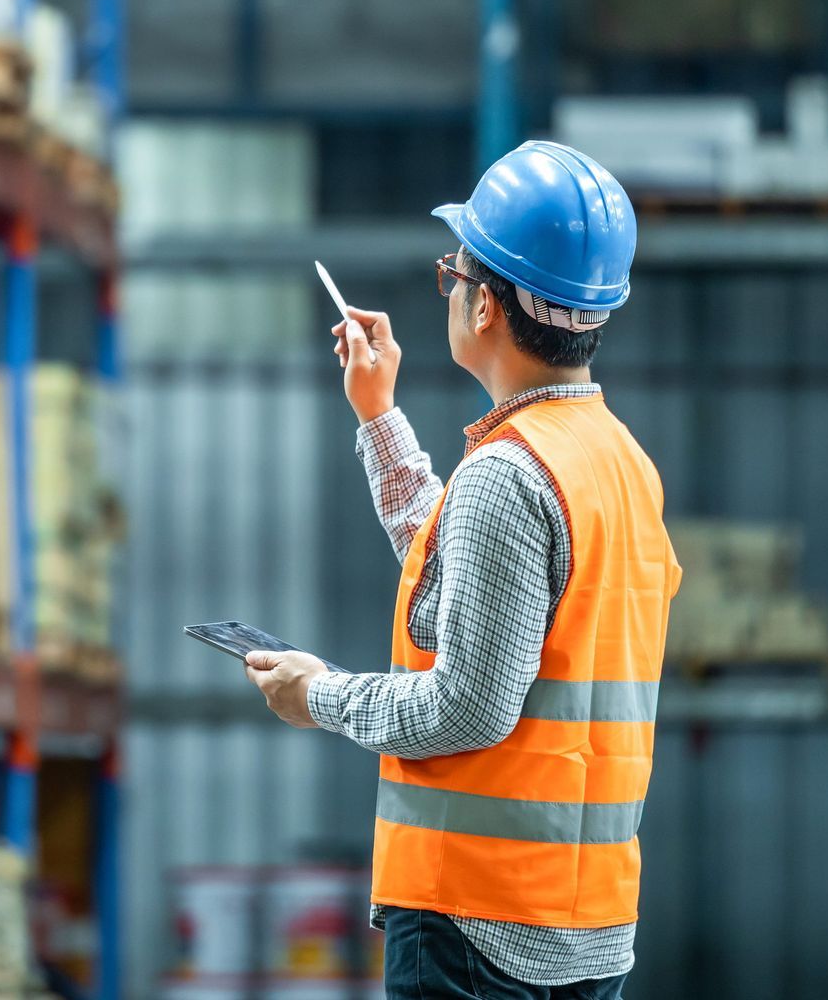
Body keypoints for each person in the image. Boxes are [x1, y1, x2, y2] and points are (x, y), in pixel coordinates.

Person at [243, 140, 682, 1000]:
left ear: (483, 307)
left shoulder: (511, 474)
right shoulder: (617, 463)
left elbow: (468, 707)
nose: (449, 288)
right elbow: (480, 587)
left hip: (475, 929)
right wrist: (379, 415)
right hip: (585, 925)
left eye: (454, 271)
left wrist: (317, 694)